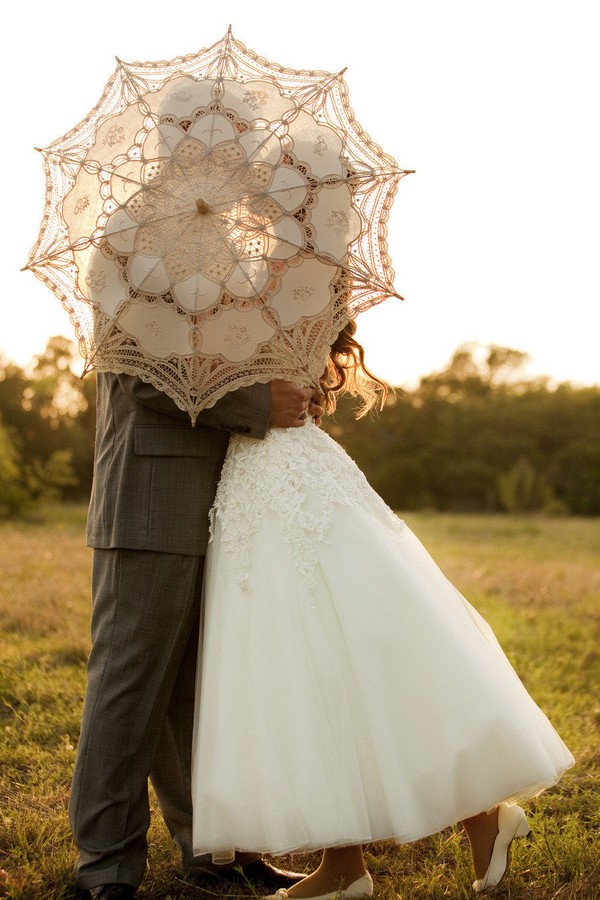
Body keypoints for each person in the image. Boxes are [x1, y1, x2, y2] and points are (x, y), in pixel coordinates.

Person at [191, 322, 575, 898]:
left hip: (284, 470)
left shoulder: (275, 269)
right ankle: (350, 865)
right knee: (307, 653)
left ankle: (462, 822)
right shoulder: (258, 268)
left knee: (347, 645)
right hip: (266, 470)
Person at [70, 372, 323, 900]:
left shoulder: (231, 283)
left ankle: (217, 849)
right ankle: (106, 867)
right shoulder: (128, 284)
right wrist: (258, 400)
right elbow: (146, 376)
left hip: (238, 494)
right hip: (152, 495)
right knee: (128, 683)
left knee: (206, 684)